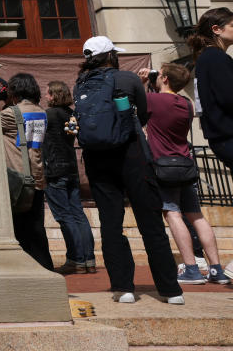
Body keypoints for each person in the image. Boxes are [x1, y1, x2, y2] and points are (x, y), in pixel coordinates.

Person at [74, 36, 184, 305]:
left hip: (97, 159)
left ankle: (123, 287)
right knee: (151, 223)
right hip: (131, 154)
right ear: (111, 56)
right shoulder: (129, 80)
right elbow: (144, 115)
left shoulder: (81, 84)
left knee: (111, 224)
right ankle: (170, 290)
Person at [138, 63, 228, 285]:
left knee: (172, 214)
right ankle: (216, 269)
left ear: (166, 79)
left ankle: (191, 268)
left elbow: (137, 109)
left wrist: (141, 84)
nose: (155, 76)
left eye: (158, 74)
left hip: (163, 166)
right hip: (185, 164)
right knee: (196, 215)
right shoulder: (186, 104)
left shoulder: (153, 100)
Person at [42, 80, 96, 275]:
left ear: (54, 95)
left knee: (64, 216)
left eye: (48, 93)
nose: (46, 96)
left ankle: (76, 259)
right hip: (71, 167)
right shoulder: (71, 114)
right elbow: (71, 136)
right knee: (78, 214)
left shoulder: (48, 115)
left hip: (55, 169)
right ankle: (88, 259)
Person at [0, 73, 52, 271]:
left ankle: (29, 270)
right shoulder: (41, 111)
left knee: (20, 230)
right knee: (37, 228)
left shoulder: (10, 114)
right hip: (36, 175)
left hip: (17, 179)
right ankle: (45, 268)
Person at [187, 8, 233, 173]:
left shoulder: (207, 57)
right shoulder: (215, 57)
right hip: (228, 135)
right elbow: (229, 98)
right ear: (216, 29)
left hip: (222, 138)